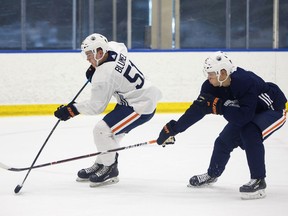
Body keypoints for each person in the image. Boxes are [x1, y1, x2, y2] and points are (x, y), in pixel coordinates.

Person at [156, 51, 287, 200]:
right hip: (248, 112)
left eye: (211, 74)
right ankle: (212, 174)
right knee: (223, 142)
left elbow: (244, 117)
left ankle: (258, 180)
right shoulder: (210, 86)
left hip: (273, 110)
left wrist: (220, 107)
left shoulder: (244, 81)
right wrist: (173, 129)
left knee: (249, 132)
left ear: (223, 72)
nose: (208, 78)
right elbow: (197, 110)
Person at [54, 33, 162, 187]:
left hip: (140, 105)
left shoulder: (104, 75)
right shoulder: (112, 48)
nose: (87, 59)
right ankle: (102, 163)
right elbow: (121, 46)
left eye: (90, 55)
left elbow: (97, 106)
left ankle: (110, 168)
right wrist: (95, 66)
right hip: (133, 99)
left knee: (101, 130)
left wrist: (72, 110)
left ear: (99, 52)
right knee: (110, 134)